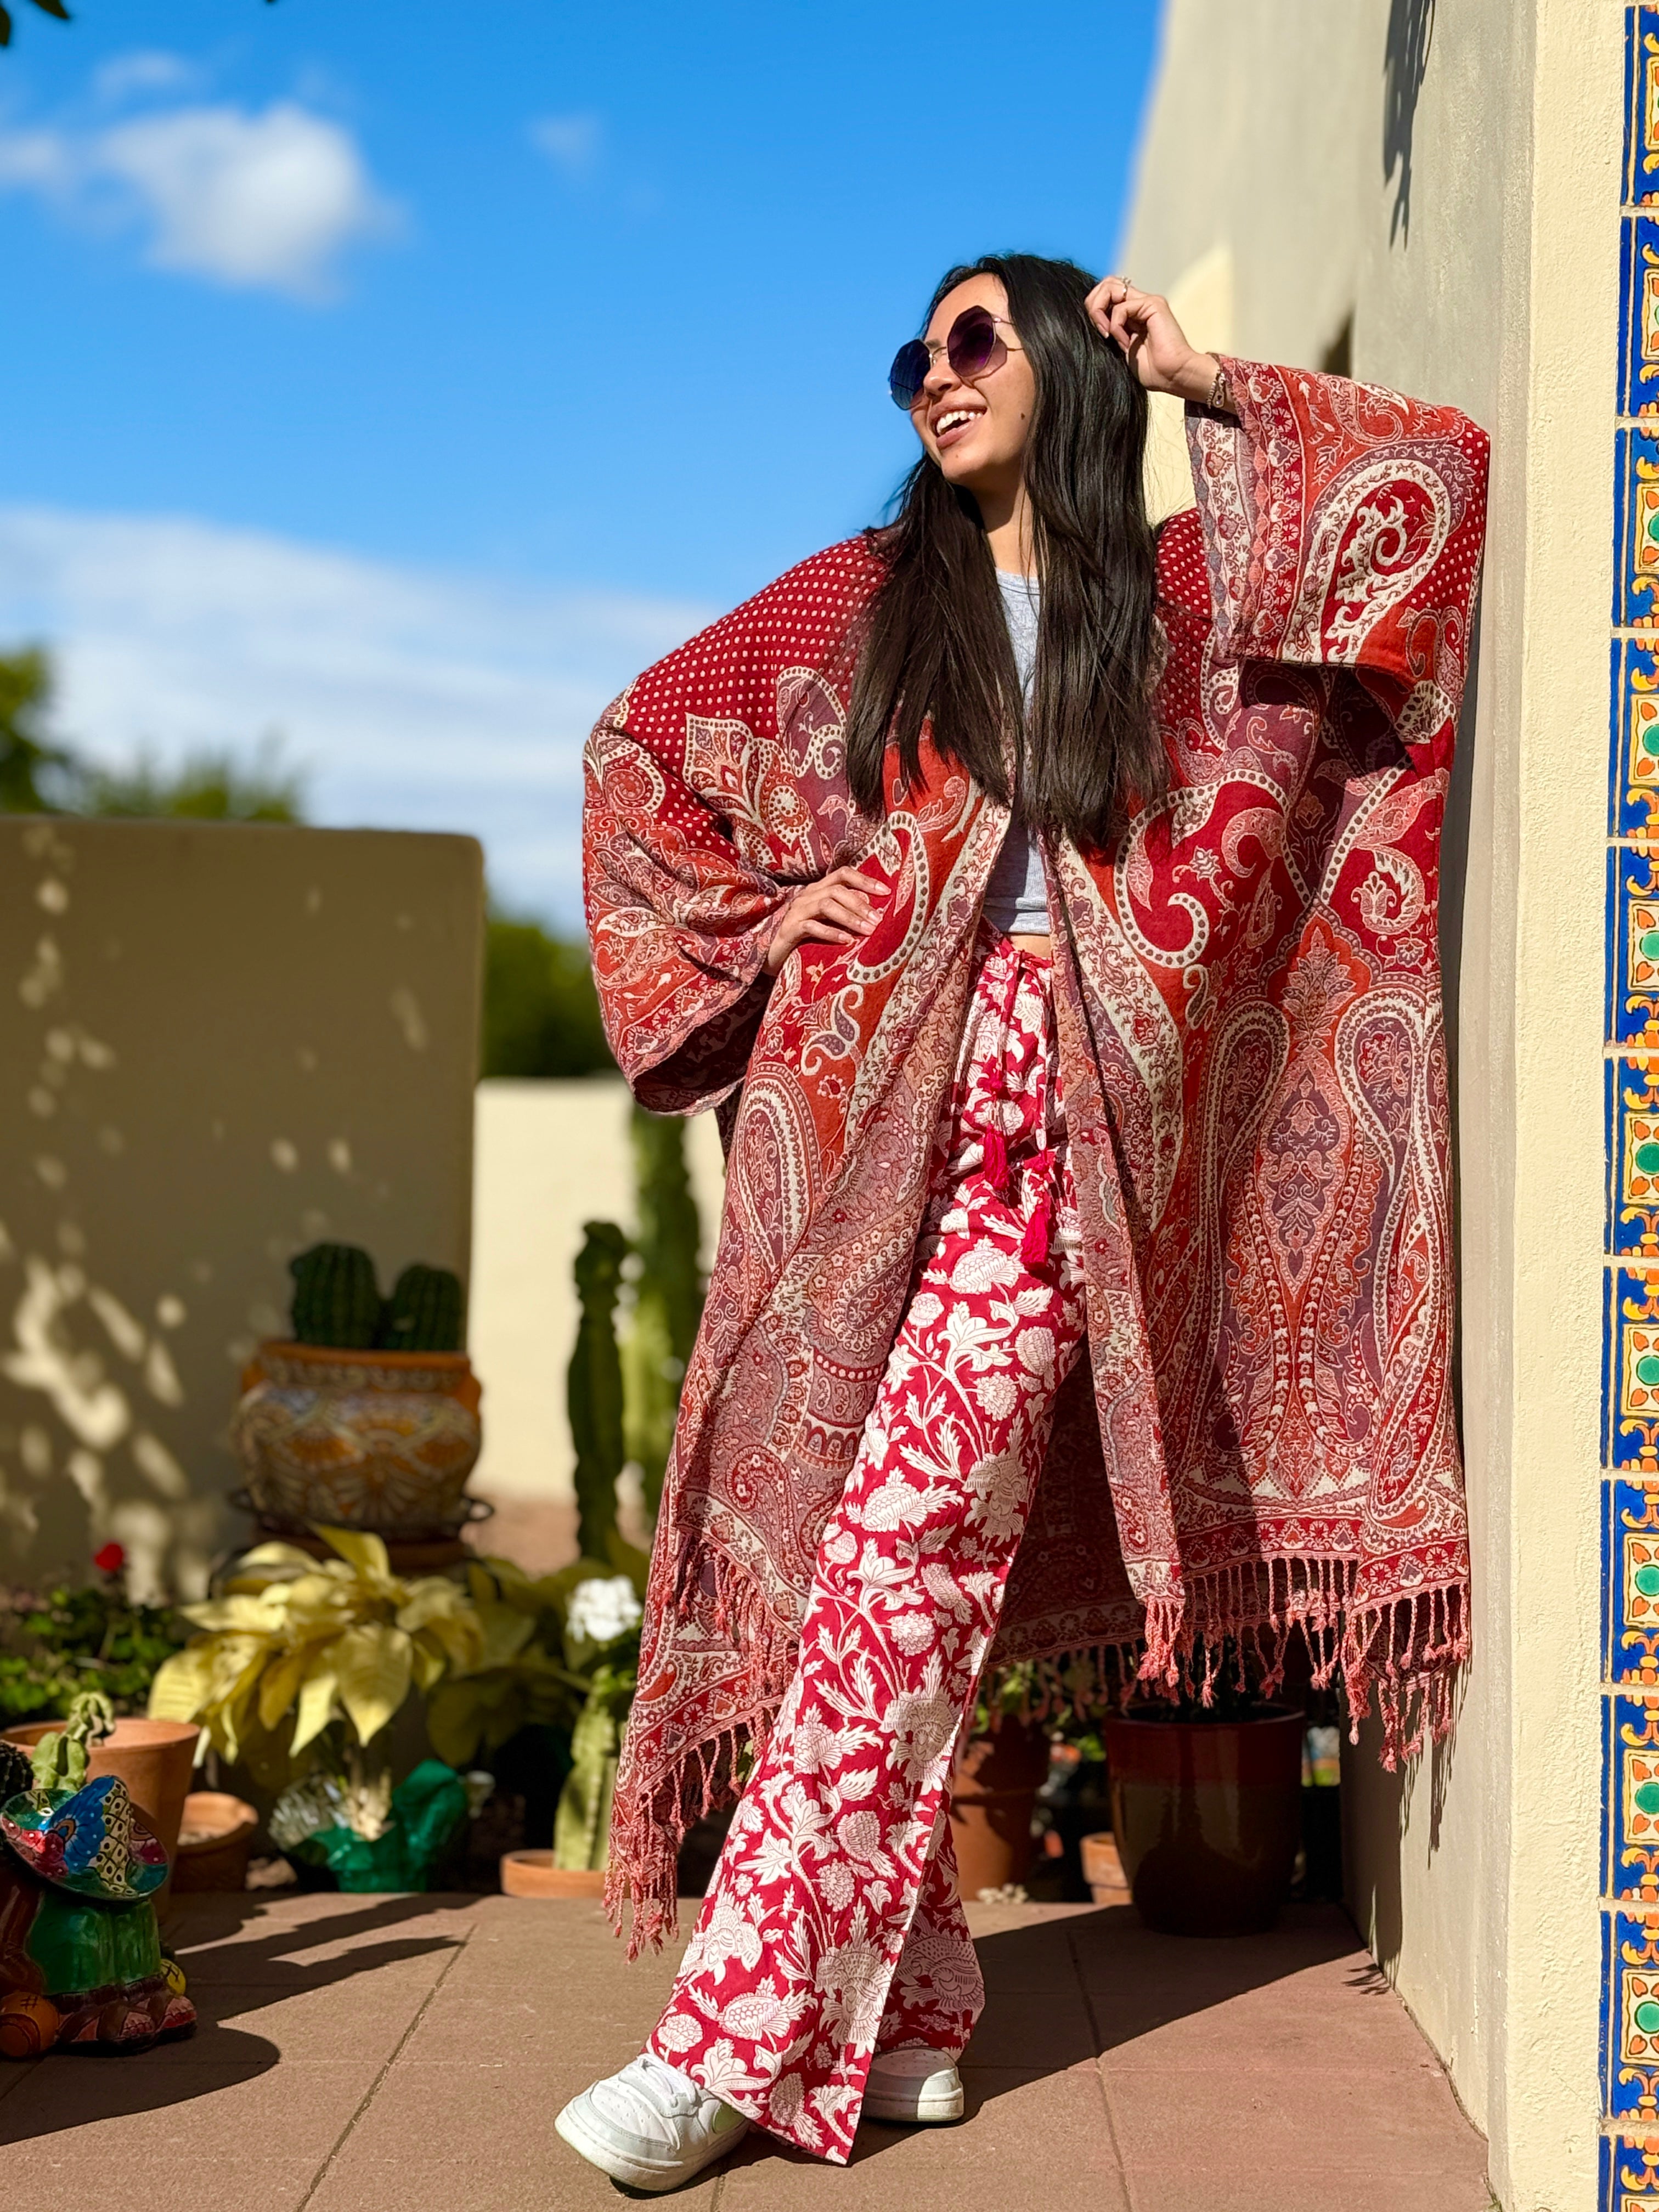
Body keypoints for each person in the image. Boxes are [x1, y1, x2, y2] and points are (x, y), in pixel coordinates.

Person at [558, 253, 1489, 2189]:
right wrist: (765, 926)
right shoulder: (869, 601)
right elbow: (639, 754)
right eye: (916, 353)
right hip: (868, 1117)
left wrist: (1210, 376)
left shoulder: (1173, 602)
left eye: (978, 341)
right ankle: (914, 2022)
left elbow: (1438, 482)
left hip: (1055, 1151)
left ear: (1067, 360)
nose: (934, 378)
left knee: (898, 1567)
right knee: (852, 1568)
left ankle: (726, 2048)